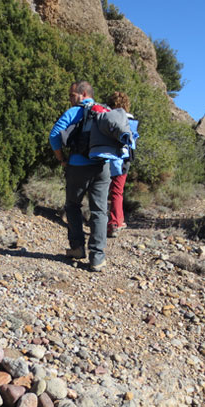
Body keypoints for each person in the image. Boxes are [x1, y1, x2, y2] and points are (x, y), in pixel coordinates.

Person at [49, 81, 110, 272]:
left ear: (83, 94)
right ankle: (97, 258)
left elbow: (53, 136)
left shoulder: (74, 112)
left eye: (72, 95)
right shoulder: (106, 111)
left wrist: (61, 159)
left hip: (78, 165)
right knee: (99, 211)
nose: (70, 99)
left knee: (73, 206)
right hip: (102, 167)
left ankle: (77, 249)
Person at [105, 91, 139, 237]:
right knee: (117, 191)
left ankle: (113, 222)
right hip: (124, 160)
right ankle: (117, 221)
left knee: (105, 189)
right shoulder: (131, 120)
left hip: (107, 157)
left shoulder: (106, 117)